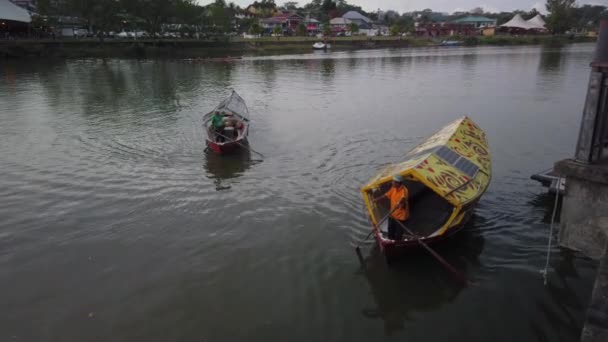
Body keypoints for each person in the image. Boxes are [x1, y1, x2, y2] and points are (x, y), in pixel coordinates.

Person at [374, 174, 409, 240]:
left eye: (394, 182)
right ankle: (390, 239)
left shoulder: (404, 191)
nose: (392, 183)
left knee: (399, 232)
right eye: (393, 181)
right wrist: (377, 199)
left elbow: (403, 200)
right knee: (390, 228)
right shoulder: (393, 188)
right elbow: (386, 195)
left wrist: (399, 203)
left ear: (398, 183)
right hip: (392, 214)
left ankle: (397, 242)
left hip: (400, 216)